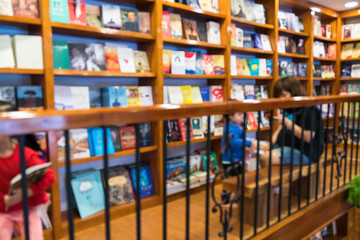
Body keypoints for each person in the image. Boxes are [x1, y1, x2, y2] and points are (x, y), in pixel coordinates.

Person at [0, 101, 56, 240]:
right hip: (2, 211)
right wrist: (4, 199)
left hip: (28, 209)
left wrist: (27, 192)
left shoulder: (25, 154)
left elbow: (49, 176)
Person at [260, 77, 324, 167]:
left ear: (294, 93)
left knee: (265, 157)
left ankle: (270, 181)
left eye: (284, 95)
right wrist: (271, 144)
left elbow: (308, 137)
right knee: (259, 152)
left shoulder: (309, 109)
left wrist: (287, 123)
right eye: (278, 96)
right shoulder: (289, 108)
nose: (281, 99)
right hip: (287, 146)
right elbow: (279, 129)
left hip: (305, 152)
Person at [221, 108, 256, 176]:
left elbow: (240, 137)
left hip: (237, 159)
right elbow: (234, 141)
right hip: (230, 160)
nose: (242, 116)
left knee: (240, 177)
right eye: (239, 114)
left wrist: (248, 143)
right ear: (230, 116)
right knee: (233, 180)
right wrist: (249, 143)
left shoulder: (236, 126)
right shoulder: (228, 127)